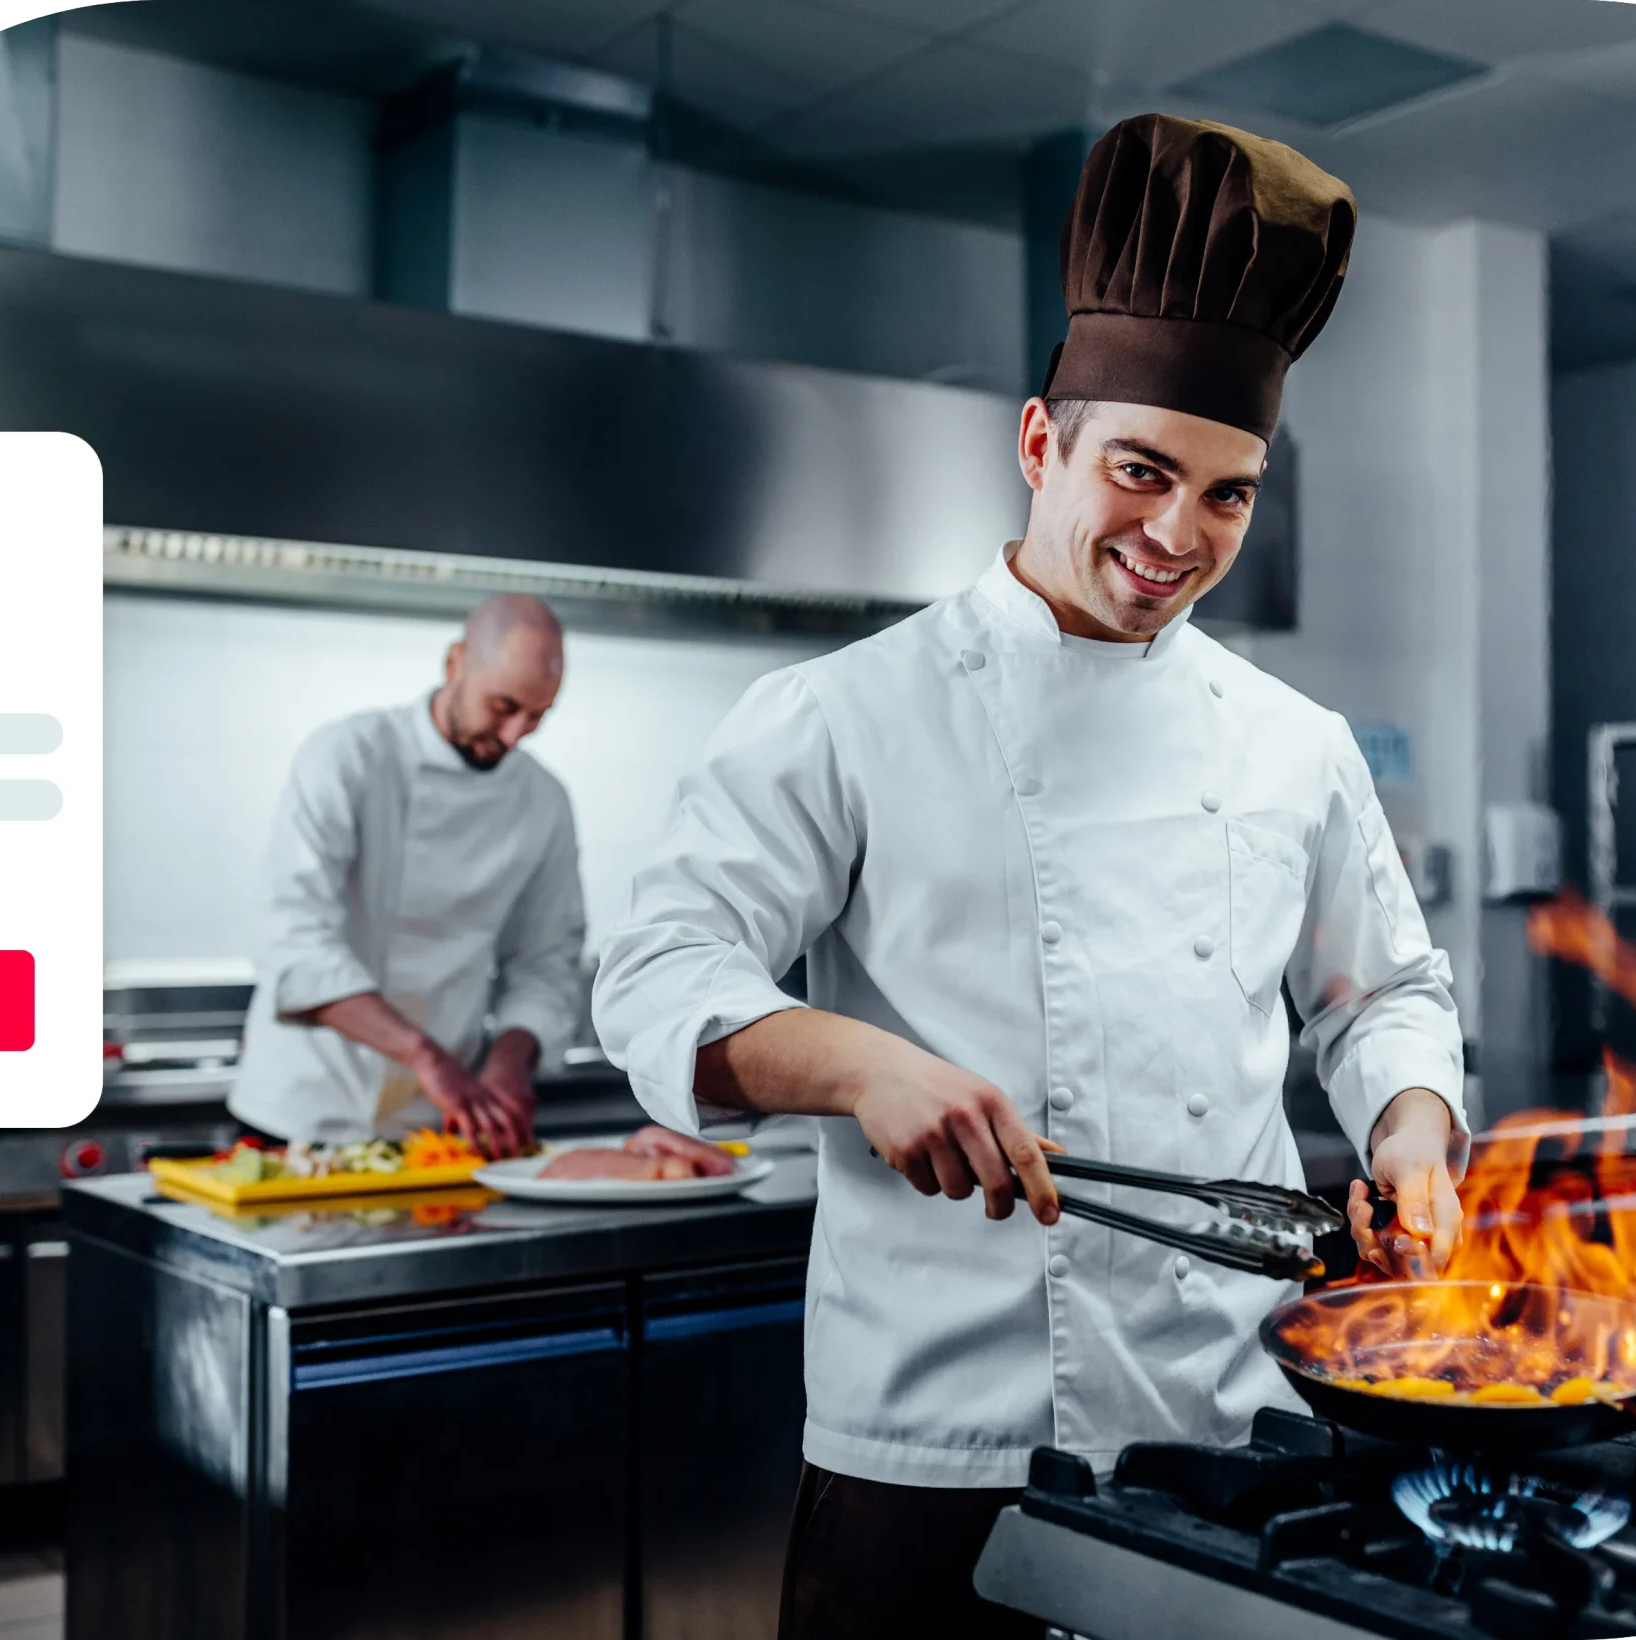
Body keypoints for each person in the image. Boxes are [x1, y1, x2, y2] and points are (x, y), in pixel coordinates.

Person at [591, 114, 1470, 1638]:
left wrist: (1411, 1136)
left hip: (1238, 1431)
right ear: (1038, 441)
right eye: (1140, 469)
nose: (1176, 535)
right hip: (938, 1454)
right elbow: (658, 972)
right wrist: (859, 1067)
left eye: (1227, 493)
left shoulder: (1290, 741)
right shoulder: (848, 712)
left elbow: (1382, 991)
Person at [229, 594, 587, 1155]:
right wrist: (427, 1057)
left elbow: (545, 961)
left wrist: (510, 1059)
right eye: (503, 706)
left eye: (538, 716)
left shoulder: (545, 801)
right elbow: (296, 942)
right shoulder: (346, 757)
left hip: (437, 1125)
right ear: (455, 663)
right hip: (304, 1111)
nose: (516, 735)